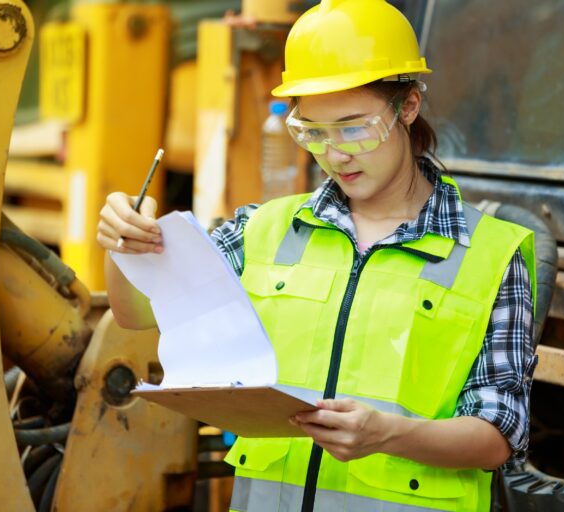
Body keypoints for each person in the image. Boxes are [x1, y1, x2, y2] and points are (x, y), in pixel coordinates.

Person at [96, 0, 537, 510]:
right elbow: (137, 313)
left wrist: (388, 435)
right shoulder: (263, 229)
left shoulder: (489, 256)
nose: (336, 154)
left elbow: (497, 435)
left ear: (408, 106)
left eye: (354, 128)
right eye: (314, 133)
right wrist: (123, 244)